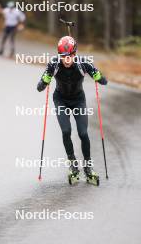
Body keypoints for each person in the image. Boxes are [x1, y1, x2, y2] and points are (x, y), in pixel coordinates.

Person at [37, 36, 107, 180]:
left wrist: (98, 76)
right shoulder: (54, 64)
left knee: (83, 133)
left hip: (78, 100)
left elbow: (104, 81)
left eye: (70, 56)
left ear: (75, 54)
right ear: (59, 55)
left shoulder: (84, 63)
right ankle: (73, 163)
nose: (67, 59)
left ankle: (88, 167)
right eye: (63, 56)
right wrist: (44, 82)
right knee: (66, 131)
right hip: (61, 99)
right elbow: (40, 87)